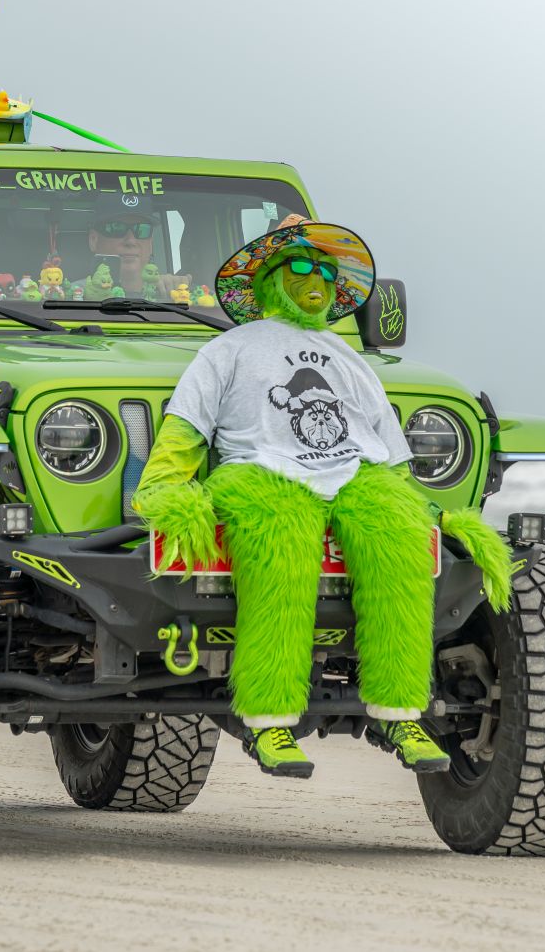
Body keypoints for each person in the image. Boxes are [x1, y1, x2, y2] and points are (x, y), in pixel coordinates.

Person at [133, 216, 512, 777]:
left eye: (327, 272)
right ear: (269, 281)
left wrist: (429, 511)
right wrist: (166, 486)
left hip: (352, 473)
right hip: (263, 471)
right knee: (280, 556)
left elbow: (385, 442)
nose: (318, 280)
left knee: (402, 545)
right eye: (302, 267)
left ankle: (400, 710)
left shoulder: (349, 356)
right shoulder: (229, 348)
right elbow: (189, 422)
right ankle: (269, 721)